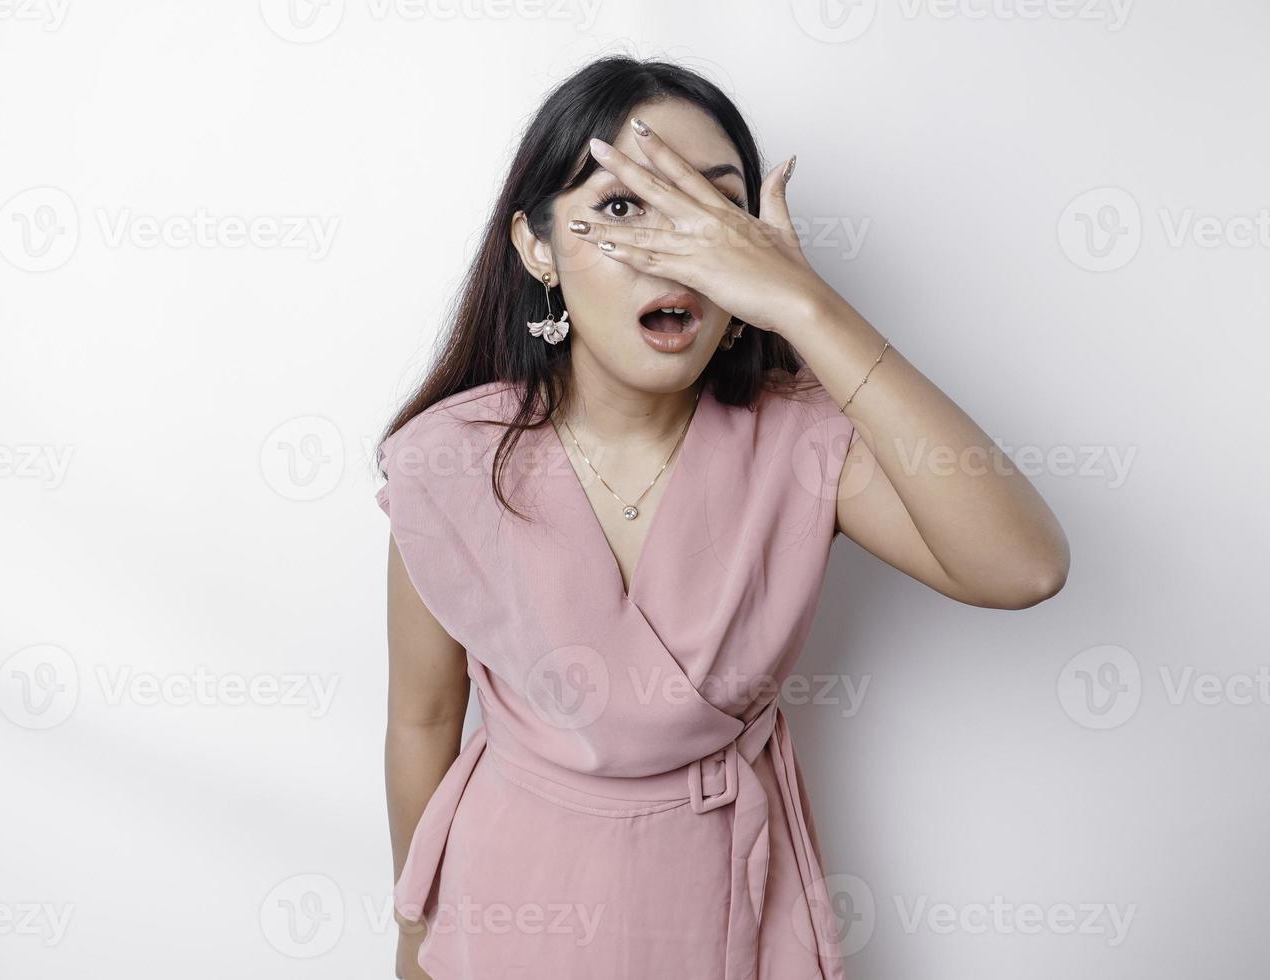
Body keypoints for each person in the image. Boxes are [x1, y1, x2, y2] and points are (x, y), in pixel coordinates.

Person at [376, 55, 1069, 980]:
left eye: (713, 211)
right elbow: (423, 719)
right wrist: (419, 937)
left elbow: (1022, 568)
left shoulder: (801, 435)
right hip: (509, 905)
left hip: (716, 906)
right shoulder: (453, 456)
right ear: (538, 245)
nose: (680, 248)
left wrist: (803, 302)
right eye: (624, 205)